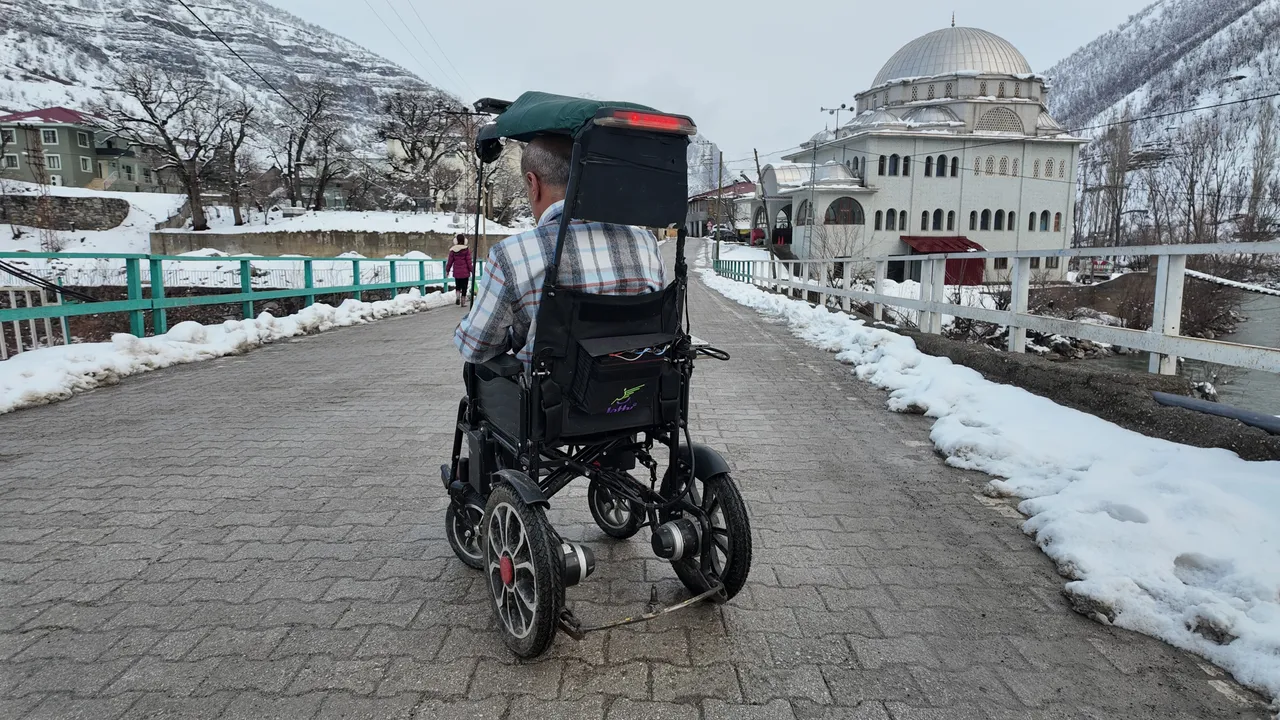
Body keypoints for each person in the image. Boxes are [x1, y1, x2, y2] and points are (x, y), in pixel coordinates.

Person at [453, 133, 665, 366]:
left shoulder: (512, 254)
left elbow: (476, 347)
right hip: (636, 391)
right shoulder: (645, 243)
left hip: (552, 398)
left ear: (533, 183)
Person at [444, 234, 473, 306]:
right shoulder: (466, 249)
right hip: (465, 272)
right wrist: (472, 270)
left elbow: (450, 261)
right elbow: (469, 261)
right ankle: (463, 302)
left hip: (457, 272)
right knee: (464, 286)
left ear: (456, 241)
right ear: (464, 241)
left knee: (458, 285)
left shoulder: (453, 250)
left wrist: (447, 270)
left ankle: (457, 296)